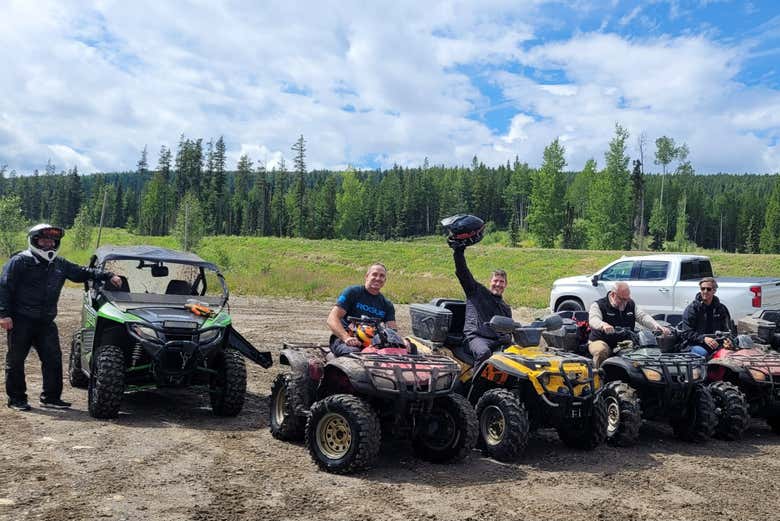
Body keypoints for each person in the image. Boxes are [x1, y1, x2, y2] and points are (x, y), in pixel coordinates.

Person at [0, 224, 121, 411]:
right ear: (34, 241)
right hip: (21, 320)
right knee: (15, 361)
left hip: (46, 322)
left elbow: (82, 272)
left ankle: (51, 398)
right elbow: (4, 288)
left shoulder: (59, 264)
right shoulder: (19, 262)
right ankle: (16, 399)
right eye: (44, 240)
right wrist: (4, 314)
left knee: (53, 359)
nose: (48, 244)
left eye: (52, 241)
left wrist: (107, 275)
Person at [450, 241, 512, 367]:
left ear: (506, 285)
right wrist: (459, 251)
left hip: (496, 341)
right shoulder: (476, 292)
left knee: (520, 354)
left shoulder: (505, 308)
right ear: (490, 282)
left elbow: (509, 330)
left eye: (502, 282)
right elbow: (463, 272)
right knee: (484, 352)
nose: (498, 284)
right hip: (475, 339)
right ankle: (477, 385)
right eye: (496, 280)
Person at [588, 282, 671, 367]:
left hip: (623, 343)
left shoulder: (630, 304)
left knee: (641, 353)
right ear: (613, 295)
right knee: (601, 351)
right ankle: (598, 375)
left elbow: (642, 316)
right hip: (601, 340)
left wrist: (656, 326)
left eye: (627, 299)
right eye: (622, 299)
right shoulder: (599, 305)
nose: (625, 302)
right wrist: (603, 325)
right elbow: (593, 319)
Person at [326, 263, 397, 356]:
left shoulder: (387, 304)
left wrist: (403, 342)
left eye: (382, 276)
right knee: (354, 353)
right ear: (367, 276)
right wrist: (346, 338)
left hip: (372, 343)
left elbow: (392, 330)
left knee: (410, 349)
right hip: (345, 340)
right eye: (374, 274)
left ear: (385, 280)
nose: (378, 278)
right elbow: (332, 319)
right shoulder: (352, 292)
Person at [678, 277, 734, 357]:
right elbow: (686, 333)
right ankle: (697, 369)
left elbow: (727, 330)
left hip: (716, 343)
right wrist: (704, 339)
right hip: (695, 344)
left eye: (708, 289)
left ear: (714, 291)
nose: (705, 291)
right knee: (703, 354)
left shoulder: (721, 308)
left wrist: (728, 340)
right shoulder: (692, 309)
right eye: (702, 288)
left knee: (732, 354)